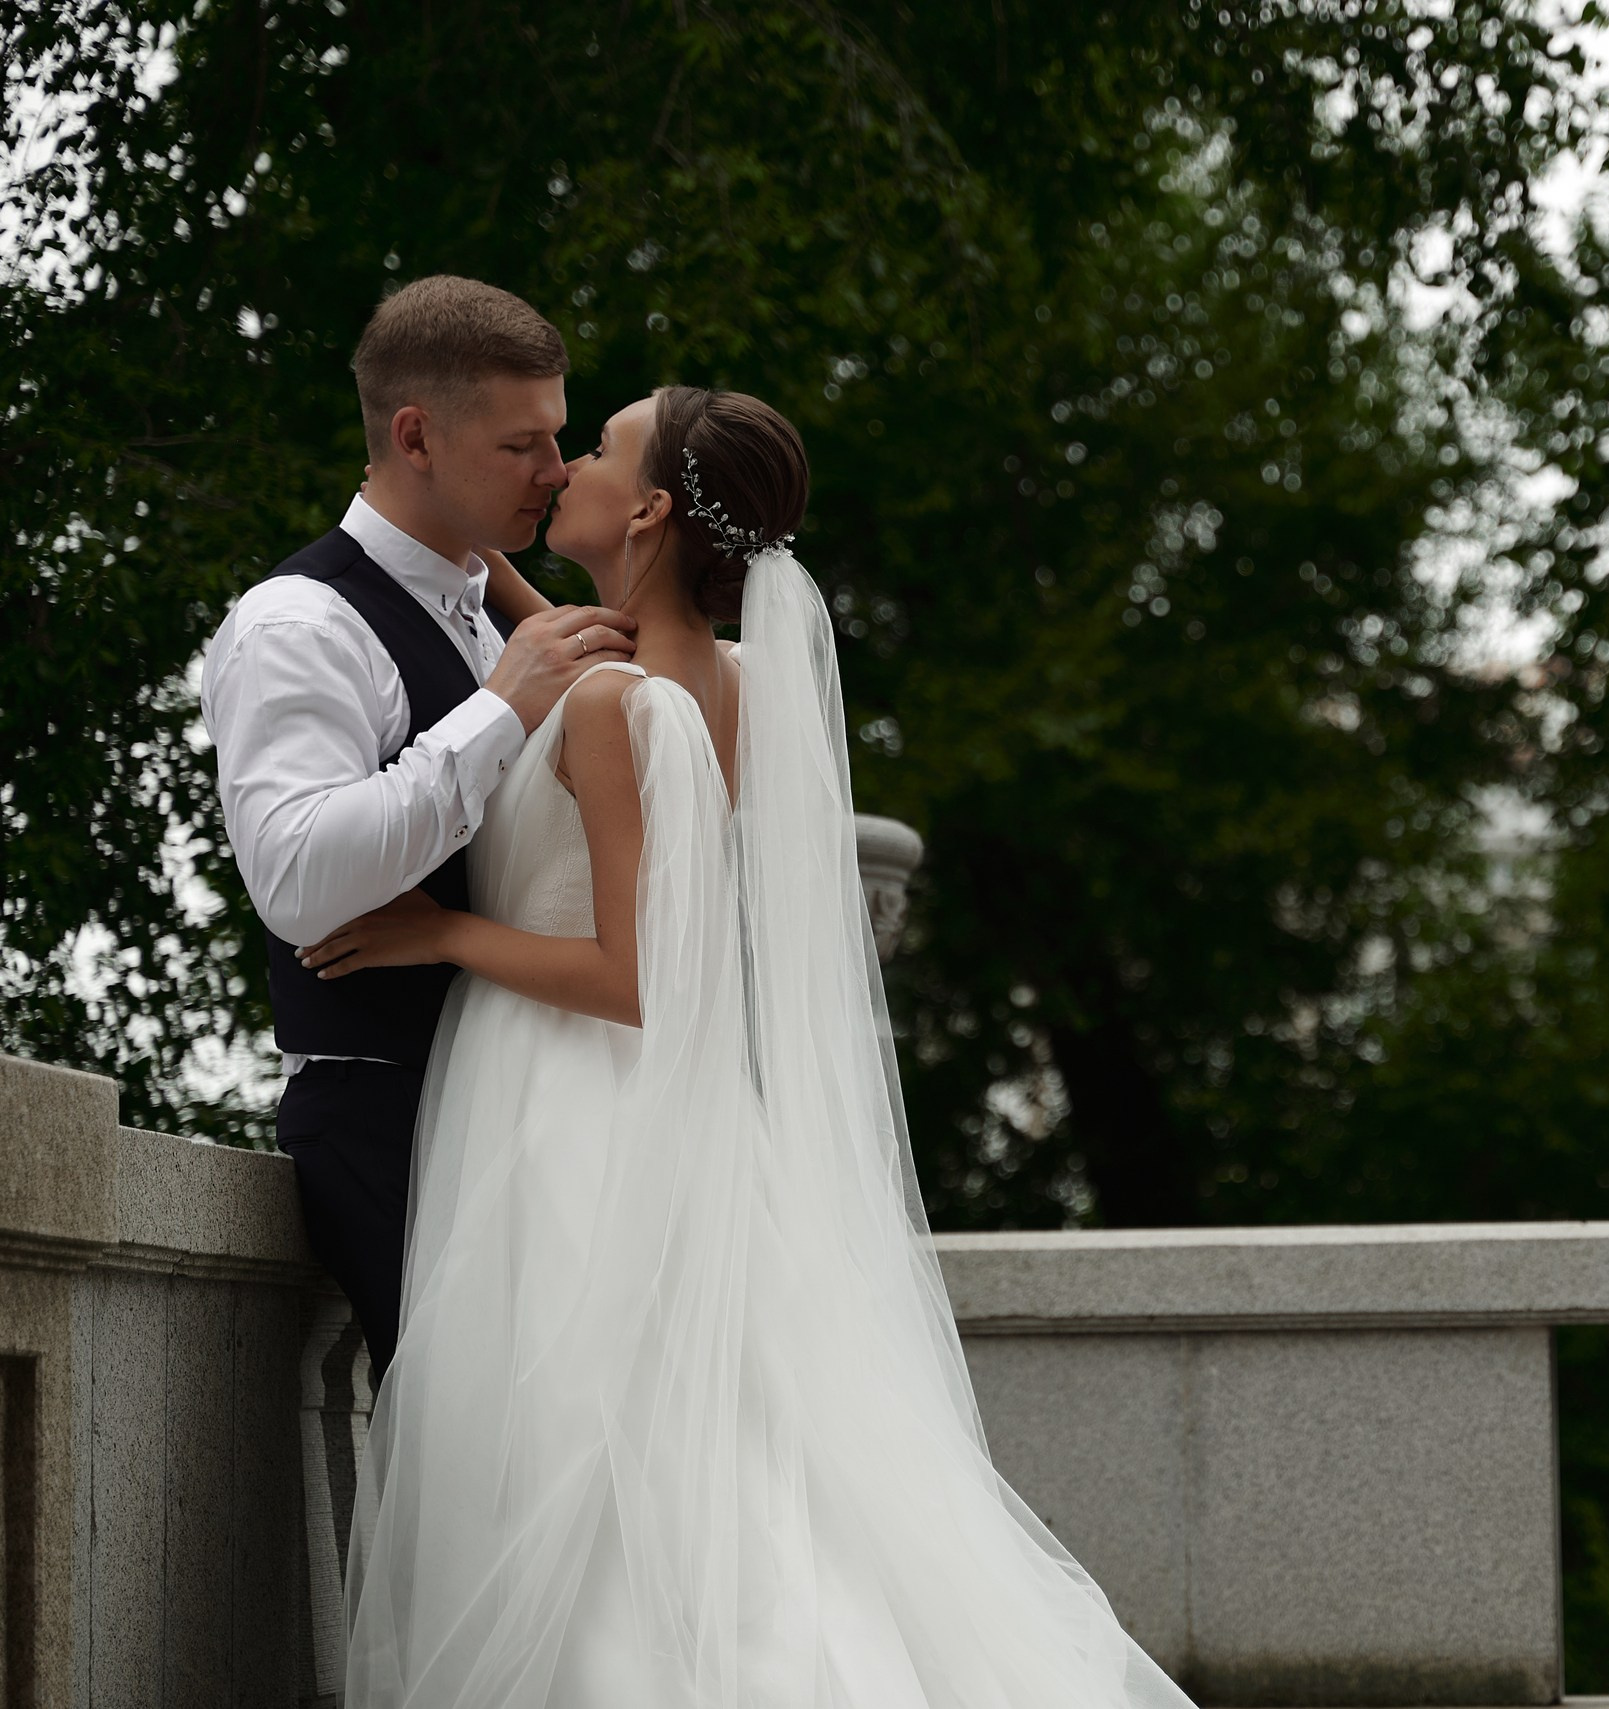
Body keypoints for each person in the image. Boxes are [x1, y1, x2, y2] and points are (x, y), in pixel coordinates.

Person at [300, 385, 1196, 1707]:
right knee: (715, 1467)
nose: (564, 467)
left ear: (653, 505)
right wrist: (453, 534)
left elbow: (638, 975)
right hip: (692, 1120)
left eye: (595, 449)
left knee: (578, 1464)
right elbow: (587, 661)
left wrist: (439, 934)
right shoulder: (733, 682)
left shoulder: (611, 704)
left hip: (574, 1110)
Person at [201, 275, 635, 1372]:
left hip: (548, 1109)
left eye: (562, 437)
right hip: (394, 1118)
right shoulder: (298, 621)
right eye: (523, 443)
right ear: (415, 436)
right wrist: (501, 709)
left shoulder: (507, 611)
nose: (556, 469)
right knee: (493, 1472)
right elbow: (297, 880)